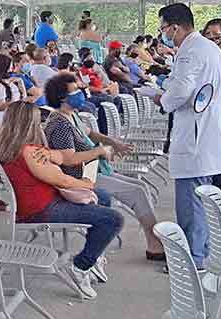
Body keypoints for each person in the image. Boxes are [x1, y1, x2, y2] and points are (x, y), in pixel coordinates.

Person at [0, 101, 123, 300]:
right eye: (37, 122)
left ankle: (95, 252)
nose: (41, 125)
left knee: (103, 198)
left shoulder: (9, 146)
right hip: (42, 208)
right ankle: (81, 265)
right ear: (29, 123)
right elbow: (62, 180)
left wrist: (52, 154)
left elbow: (61, 159)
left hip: (37, 203)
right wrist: (87, 183)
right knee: (113, 219)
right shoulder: (28, 151)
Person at [43, 73, 164, 261]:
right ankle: (155, 243)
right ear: (63, 98)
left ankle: (153, 240)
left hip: (92, 171)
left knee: (141, 187)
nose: (81, 93)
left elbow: (90, 133)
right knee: (137, 192)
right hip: (79, 178)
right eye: (75, 91)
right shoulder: (59, 124)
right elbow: (68, 160)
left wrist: (113, 142)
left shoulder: (71, 116)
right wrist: (99, 152)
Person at [154, 3, 221, 270]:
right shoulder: (208, 48)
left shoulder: (190, 51)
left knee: (190, 202)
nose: (163, 34)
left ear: (174, 27)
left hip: (196, 137)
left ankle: (192, 260)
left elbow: (182, 90)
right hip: (206, 134)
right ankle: (200, 249)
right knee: (200, 200)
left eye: (163, 29)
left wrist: (161, 99)